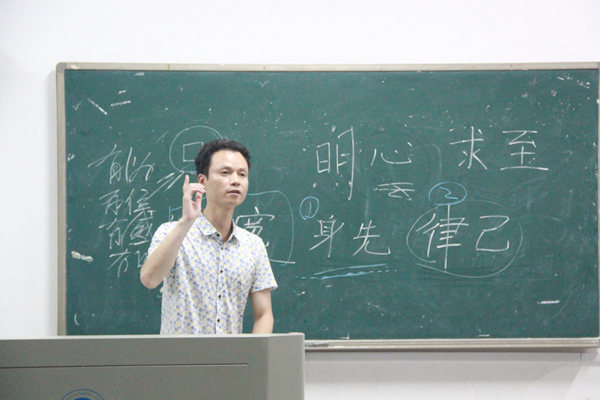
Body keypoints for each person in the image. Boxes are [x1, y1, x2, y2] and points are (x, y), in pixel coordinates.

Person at [140, 139, 277, 334]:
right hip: (177, 354)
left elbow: (264, 314)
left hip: (231, 354)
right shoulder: (172, 233)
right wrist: (185, 222)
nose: (236, 180)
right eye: (225, 173)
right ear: (202, 181)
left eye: (242, 174)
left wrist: (256, 352)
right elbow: (149, 279)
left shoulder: (254, 246)